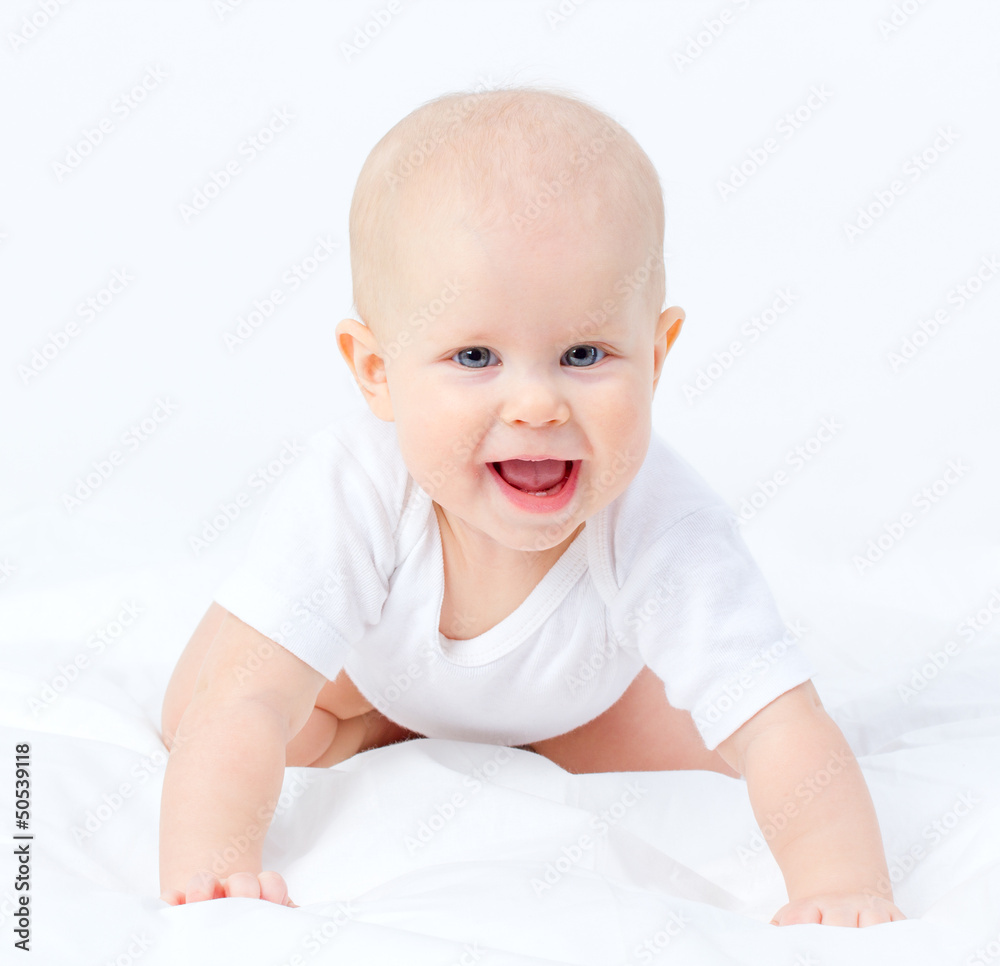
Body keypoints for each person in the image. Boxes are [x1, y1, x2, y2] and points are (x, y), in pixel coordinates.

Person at [159, 85, 905, 927]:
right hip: (369, 676)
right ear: (376, 372)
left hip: (580, 700)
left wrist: (841, 885)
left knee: (738, 757)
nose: (536, 405)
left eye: (584, 353)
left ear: (657, 356)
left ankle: (493, 732)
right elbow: (248, 707)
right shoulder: (356, 487)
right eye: (475, 355)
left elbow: (780, 727)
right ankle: (386, 726)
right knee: (211, 711)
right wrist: (215, 871)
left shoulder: (663, 519)